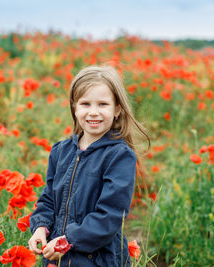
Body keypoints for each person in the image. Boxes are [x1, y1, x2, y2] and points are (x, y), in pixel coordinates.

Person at [28, 65, 150, 266]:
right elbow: (48, 199)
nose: (94, 112)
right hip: (58, 257)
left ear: (117, 109)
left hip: (98, 259)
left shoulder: (119, 156)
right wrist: (40, 228)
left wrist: (69, 241)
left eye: (103, 104)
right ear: (74, 107)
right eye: (85, 104)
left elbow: (110, 216)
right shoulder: (60, 151)